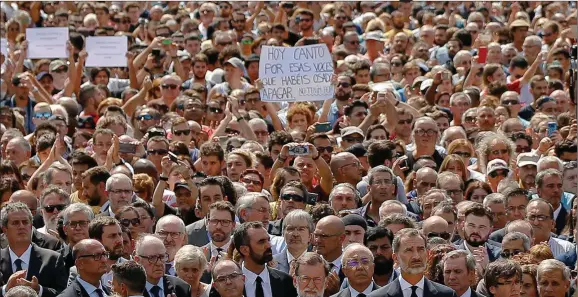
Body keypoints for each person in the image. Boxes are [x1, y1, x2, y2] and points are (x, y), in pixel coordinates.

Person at [0, 202, 68, 297]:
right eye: (15, 223)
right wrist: (5, 289)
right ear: (5, 230)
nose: (21, 226)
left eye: (25, 222)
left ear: (31, 226)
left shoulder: (52, 259)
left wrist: (38, 290)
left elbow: (64, 294)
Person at [367, 228, 457, 297]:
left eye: (420, 249)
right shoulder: (377, 296)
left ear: (428, 254)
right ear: (395, 258)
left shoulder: (447, 294)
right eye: (409, 250)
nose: (416, 256)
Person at [232, 221, 297, 297]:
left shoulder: (285, 281)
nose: (269, 245)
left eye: (268, 240)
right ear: (245, 250)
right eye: (261, 242)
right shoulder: (231, 284)